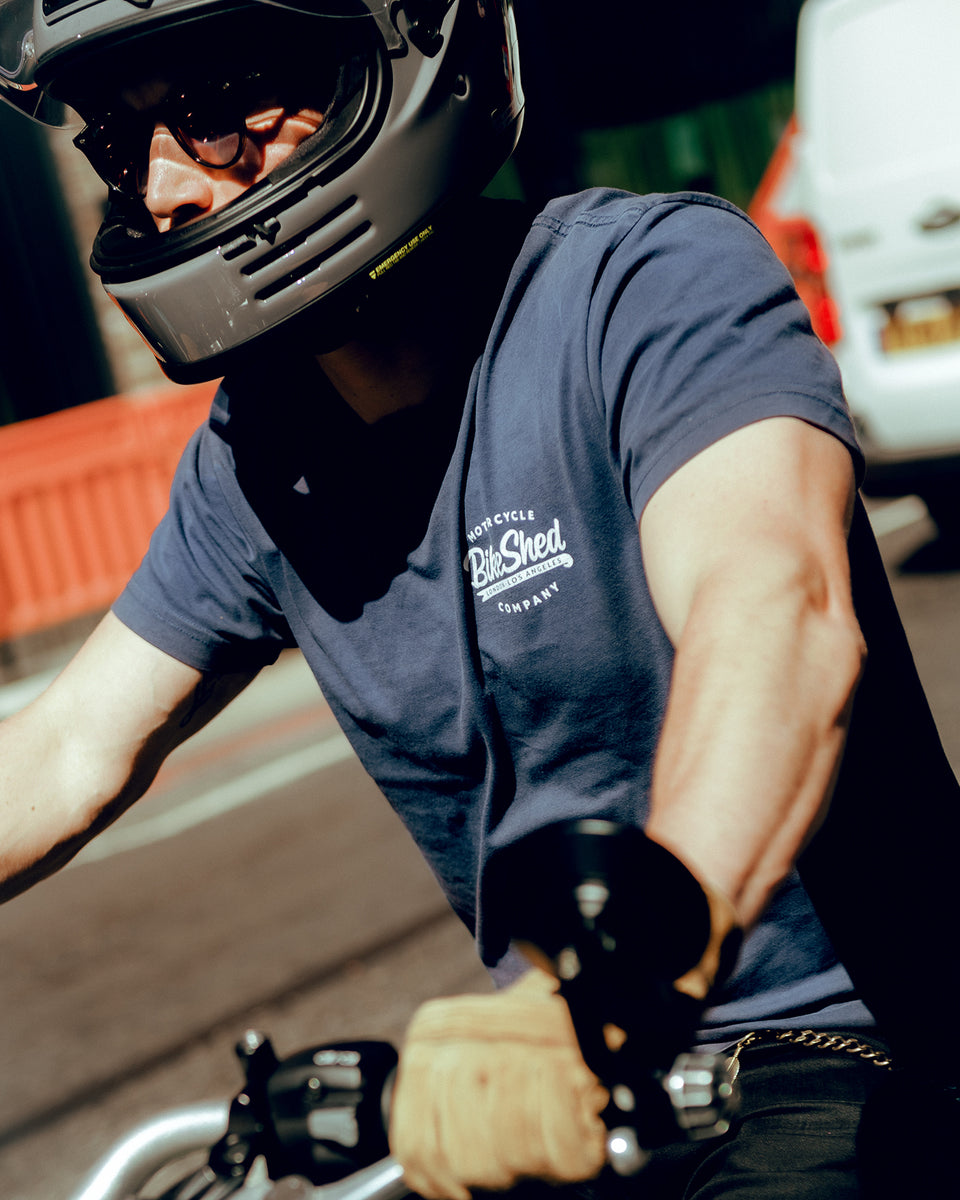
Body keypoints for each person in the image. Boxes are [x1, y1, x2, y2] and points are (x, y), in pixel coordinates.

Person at [0, 0, 957, 1195]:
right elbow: (70, 746)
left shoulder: (642, 283)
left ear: (389, 54)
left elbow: (775, 607)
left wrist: (616, 989)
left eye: (210, 113)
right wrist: (569, 1038)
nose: (167, 188)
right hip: (566, 1096)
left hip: (847, 1051)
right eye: (120, 146)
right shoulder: (260, 450)